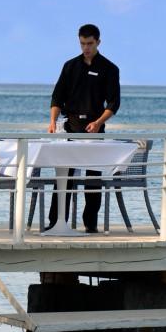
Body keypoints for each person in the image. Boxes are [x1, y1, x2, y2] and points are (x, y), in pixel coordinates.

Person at [47, 23, 120, 233]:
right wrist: (52, 121)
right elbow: (57, 96)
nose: (86, 48)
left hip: (95, 129)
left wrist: (98, 122)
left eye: (89, 43)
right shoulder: (70, 66)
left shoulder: (109, 68)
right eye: (82, 43)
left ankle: (90, 223)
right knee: (63, 177)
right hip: (70, 128)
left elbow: (114, 103)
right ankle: (57, 222)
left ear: (98, 42)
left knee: (92, 179)